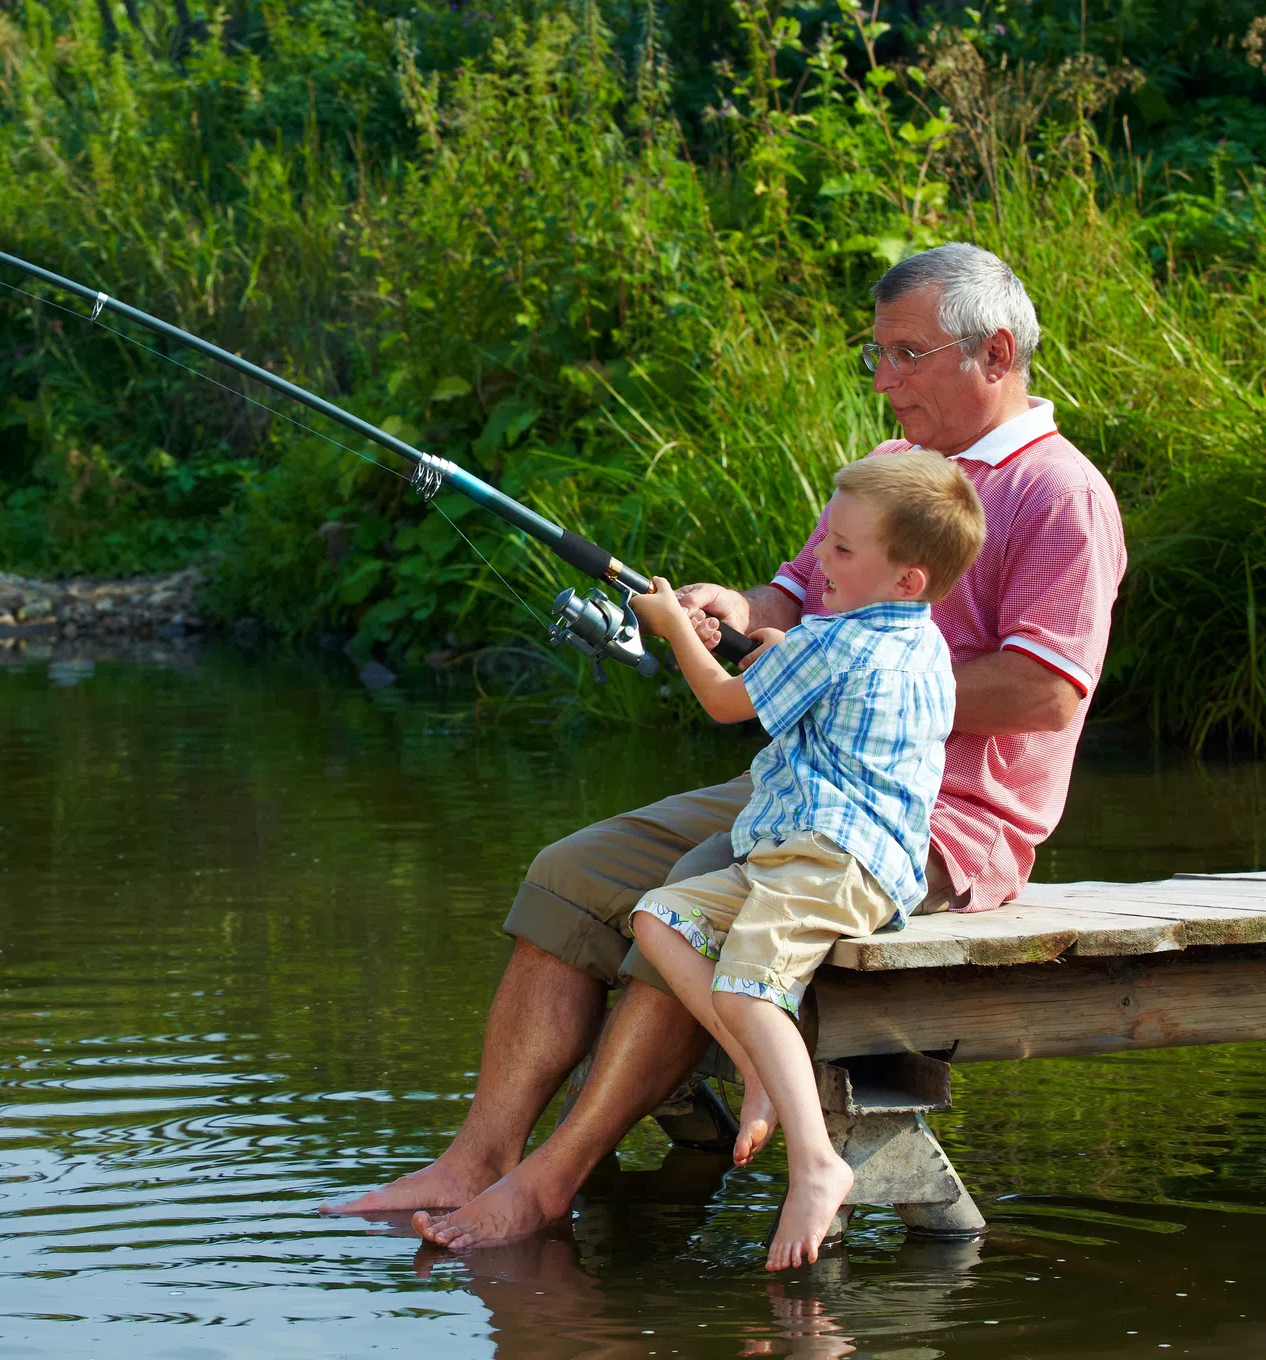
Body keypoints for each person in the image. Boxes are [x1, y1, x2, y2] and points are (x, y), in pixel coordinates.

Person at [323, 241, 1128, 1252]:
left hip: (933, 827)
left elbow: (1047, 693)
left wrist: (848, 682)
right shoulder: (887, 470)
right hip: (794, 790)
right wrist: (727, 607)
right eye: (874, 354)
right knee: (567, 874)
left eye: (905, 354)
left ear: (994, 352)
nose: (881, 379)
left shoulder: (1061, 495)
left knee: (700, 907)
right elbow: (796, 595)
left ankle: (546, 1182)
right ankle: (475, 1155)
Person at [626, 449, 986, 1270]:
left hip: (828, 859)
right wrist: (784, 647)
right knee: (660, 916)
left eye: (845, 550)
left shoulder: (831, 645)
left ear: (908, 576)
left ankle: (818, 1163)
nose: (820, 557)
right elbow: (837, 685)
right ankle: (763, 1068)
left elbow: (723, 702)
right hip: (843, 861)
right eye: (828, 540)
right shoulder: (920, 641)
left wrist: (677, 628)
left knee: (746, 983)